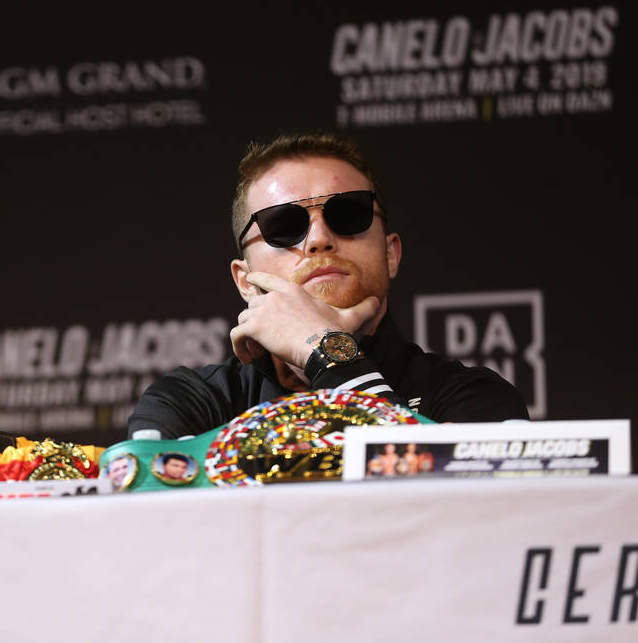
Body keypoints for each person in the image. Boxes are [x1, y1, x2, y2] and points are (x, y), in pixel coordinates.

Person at [128, 131, 529, 439]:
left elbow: (433, 507)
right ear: (245, 281)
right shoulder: (190, 403)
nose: (319, 238)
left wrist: (323, 348)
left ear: (391, 254)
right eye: (283, 226)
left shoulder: (473, 397)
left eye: (348, 214)